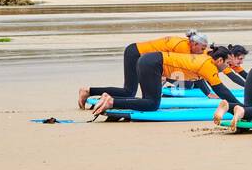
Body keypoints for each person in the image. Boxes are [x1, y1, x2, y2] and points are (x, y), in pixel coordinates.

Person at [89, 46, 240, 117]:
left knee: (148, 100)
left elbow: (202, 81)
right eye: (227, 64)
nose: (227, 68)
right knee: (152, 104)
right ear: (219, 60)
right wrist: (240, 106)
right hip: (153, 63)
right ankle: (112, 102)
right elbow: (222, 91)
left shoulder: (205, 59)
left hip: (149, 60)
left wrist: (207, 93)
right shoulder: (209, 66)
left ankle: (111, 99)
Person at [78, 31, 208, 108]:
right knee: (130, 91)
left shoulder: (187, 44)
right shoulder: (183, 48)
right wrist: (208, 93)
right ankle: (94, 94)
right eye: (201, 49)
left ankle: (92, 92)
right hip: (137, 55)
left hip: (138, 55)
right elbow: (193, 69)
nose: (201, 52)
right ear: (194, 44)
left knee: (129, 92)